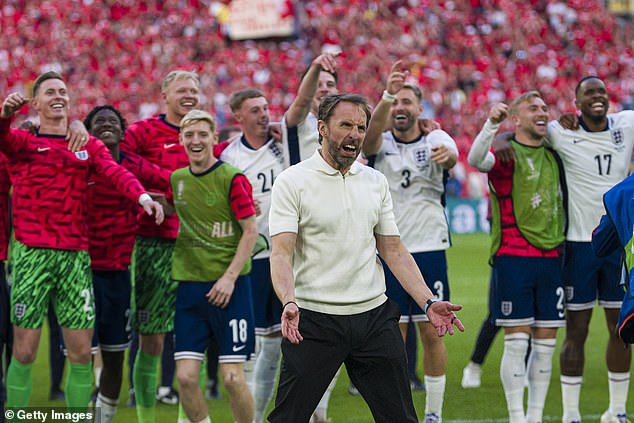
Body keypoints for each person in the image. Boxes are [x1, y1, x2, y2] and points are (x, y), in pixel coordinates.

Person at [267, 93, 464, 423]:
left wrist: (429, 302)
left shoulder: (375, 181)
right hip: (313, 320)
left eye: (361, 127)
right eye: (345, 125)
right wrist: (289, 300)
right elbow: (281, 253)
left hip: (373, 317)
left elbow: (394, 250)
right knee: (288, 418)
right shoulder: (293, 181)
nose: (355, 134)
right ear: (322, 128)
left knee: (400, 418)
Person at [0, 71, 164, 410]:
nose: (58, 96)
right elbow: (2, 136)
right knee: (25, 350)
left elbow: (115, 171)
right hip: (32, 256)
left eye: (63, 91)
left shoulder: (86, 144)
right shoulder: (23, 143)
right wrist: (5, 115)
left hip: (75, 258)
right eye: (50, 92)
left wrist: (142, 198)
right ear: (36, 103)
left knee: (80, 353)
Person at [495, 76, 634, 423]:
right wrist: (498, 139)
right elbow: (519, 131)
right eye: (589, 93)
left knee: (622, 328)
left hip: (618, 245)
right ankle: (570, 412)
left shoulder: (626, 124)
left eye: (602, 91)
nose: (597, 97)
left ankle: (616, 410)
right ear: (577, 102)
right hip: (577, 245)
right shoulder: (560, 131)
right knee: (577, 329)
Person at [362, 62, 458, 422]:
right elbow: (370, 139)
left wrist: (446, 155)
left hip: (429, 247)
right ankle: (400, 411)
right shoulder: (378, 142)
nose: (401, 108)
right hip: (388, 252)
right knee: (392, 340)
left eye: (407, 102)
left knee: (434, 332)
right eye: (396, 102)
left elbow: (451, 153)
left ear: (420, 108)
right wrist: (387, 95)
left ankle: (433, 413)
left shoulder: (435, 138)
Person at [468, 92, 566, 423]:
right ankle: (516, 417)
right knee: (516, 343)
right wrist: (492, 125)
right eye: (532, 108)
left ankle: (535, 417)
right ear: (517, 119)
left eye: (544, 107)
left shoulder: (556, 154)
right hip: (514, 258)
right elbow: (476, 159)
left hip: (553, 257)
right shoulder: (506, 155)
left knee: (545, 347)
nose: (542, 111)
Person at [83, 105, 172, 422]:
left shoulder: (134, 164)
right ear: (88, 131)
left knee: (115, 354)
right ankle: (82, 410)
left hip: (119, 272)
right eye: (99, 122)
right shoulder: (79, 162)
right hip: (80, 270)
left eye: (112, 121)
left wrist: (166, 202)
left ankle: (104, 415)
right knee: (79, 352)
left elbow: (174, 183)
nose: (106, 125)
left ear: (123, 131)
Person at [120, 70, 199, 423]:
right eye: (181, 90)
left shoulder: (202, 133)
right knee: (151, 337)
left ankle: (186, 417)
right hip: (154, 244)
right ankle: (145, 417)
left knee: (190, 338)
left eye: (193, 90)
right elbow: (117, 159)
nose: (189, 95)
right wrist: (155, 190)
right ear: (164, 95)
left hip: (196, 246)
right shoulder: (142, 131)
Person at [172, 109, 258, 423]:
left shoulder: (232, 178)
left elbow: (251, 230)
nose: (196, 141)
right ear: (181, 140)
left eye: (202, 134)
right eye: (189, 135)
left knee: (233, 378)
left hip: (231, 289)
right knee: (185, 378)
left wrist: (229, 278)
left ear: (214, 139)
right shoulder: (177, 180)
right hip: (190, 291)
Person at [218, 89, 289, 423]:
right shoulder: (229, 157)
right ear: (238, 117)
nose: (264, 114)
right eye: (256, 110)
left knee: (277, 342)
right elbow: (219, 208)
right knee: (257, 343)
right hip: (255, 258)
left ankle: (260, 415)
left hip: (289, 256)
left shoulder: (285, 144)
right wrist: (239, 210)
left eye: (266, 107)